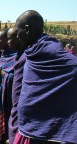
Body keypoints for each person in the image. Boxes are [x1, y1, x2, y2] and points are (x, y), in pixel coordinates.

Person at [13, 10, 77, 143]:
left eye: (17, 30)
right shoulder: (33, 51)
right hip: (29, 128)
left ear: (26, 29)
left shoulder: (49, 50)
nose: (16, 36)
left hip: (43, 133)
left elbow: (73, 66)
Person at [5, 28, 25, 144]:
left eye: (9, 38)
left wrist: (1, 73)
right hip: (12, 106)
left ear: (18, 38)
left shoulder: (27, 58)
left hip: (20, 112)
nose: (8, 41)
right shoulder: (18, 56)